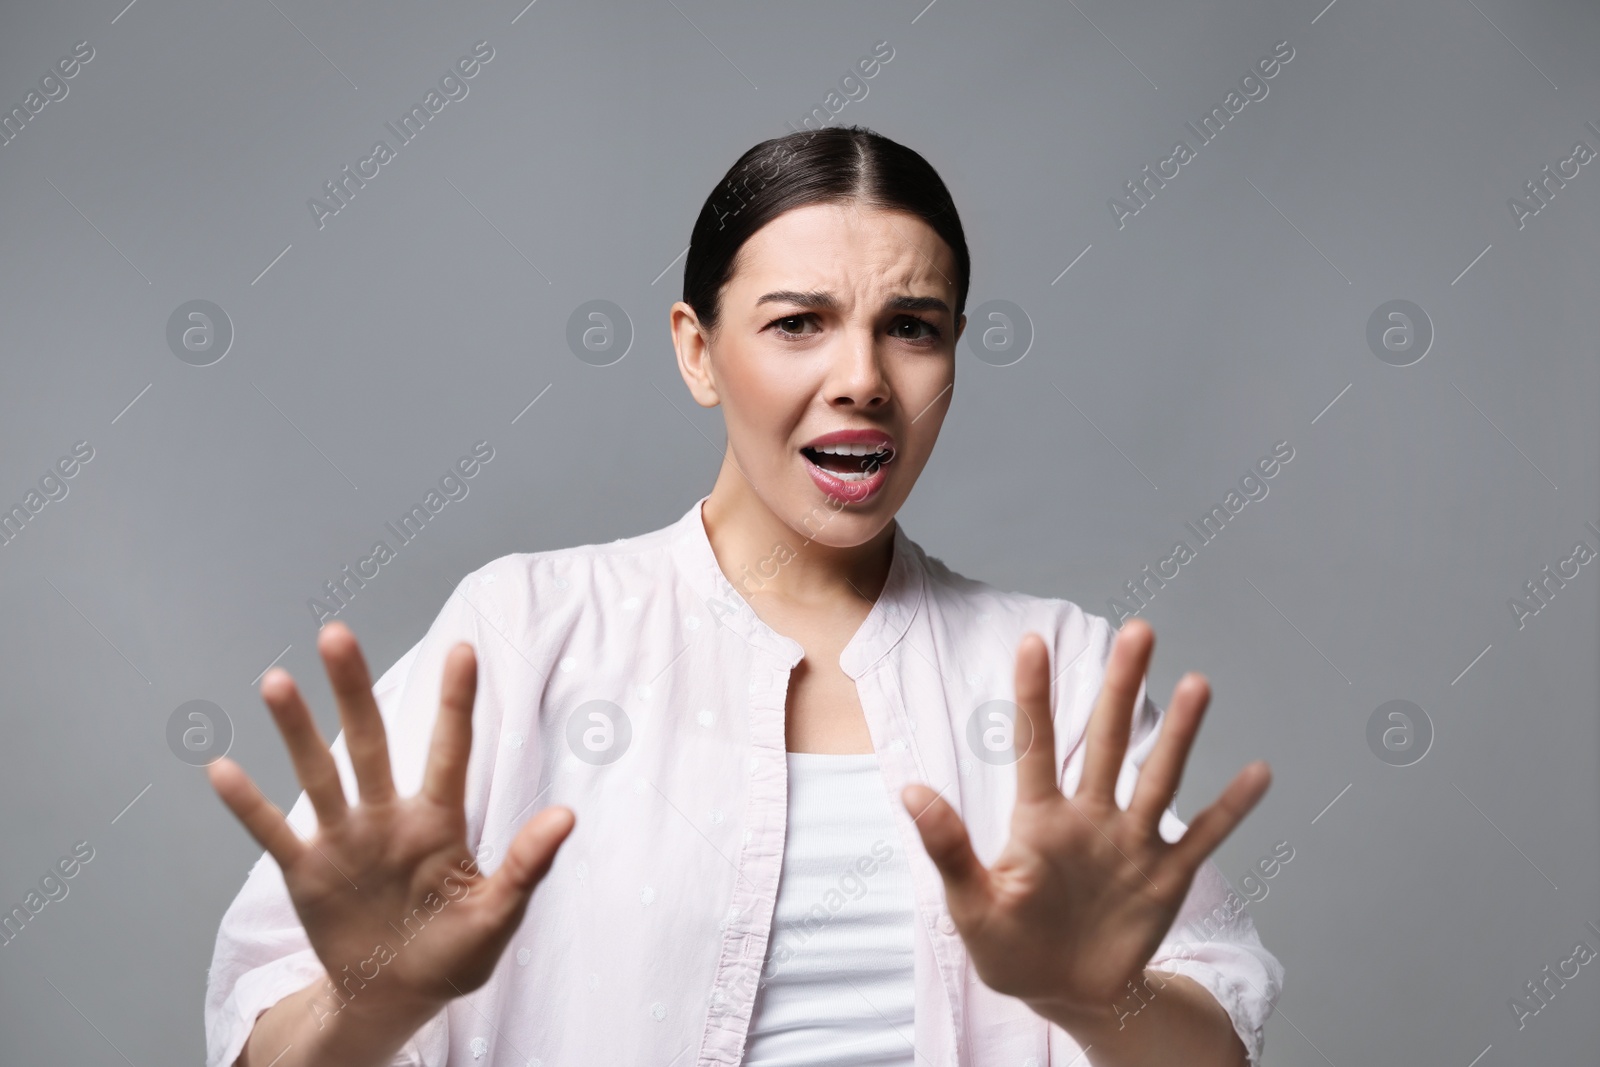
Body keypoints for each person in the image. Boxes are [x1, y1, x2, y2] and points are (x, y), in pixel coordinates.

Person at [204, 125, 1282, 1067]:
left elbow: (1211, 1048)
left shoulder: (1057, 672)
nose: (862, 375)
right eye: (797, 321)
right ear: (696, 350)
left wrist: (1103, 1000)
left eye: (912, 324)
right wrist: (369, 1001)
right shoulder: (524, 633)